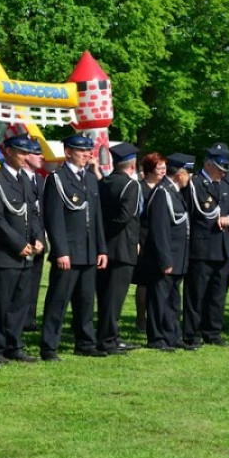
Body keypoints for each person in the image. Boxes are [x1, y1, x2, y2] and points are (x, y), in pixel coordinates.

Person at [40, 134, 108, 360]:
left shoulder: (89, 178)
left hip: (88, 250)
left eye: (89, 151)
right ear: (68, 152)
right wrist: (60, 250)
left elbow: (97, 217)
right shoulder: (57, 178)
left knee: (86, 300)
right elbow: (54, 218)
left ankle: (85, 342)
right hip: (69, 251)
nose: (87, 155)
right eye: (82, 151)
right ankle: (49, 346)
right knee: (58, 300)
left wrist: (101, 249)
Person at [0, 135, 44, 363]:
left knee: (20, 302)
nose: (25, 157)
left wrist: (38, 237)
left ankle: (14, 344)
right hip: (6, 253)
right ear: (8, 152)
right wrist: (18, 244)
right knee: (1, 303)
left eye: (27, 153)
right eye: (21, 152)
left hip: (27, 252)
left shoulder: (25, 180)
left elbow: (34, 213)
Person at [182, 143, 229, 348]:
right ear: (209, 164)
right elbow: (187, 215)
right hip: (201, 247)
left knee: (218, 293)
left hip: (224, 245)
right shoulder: (194, 183)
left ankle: (213, 331)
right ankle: (192, 333)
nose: (223, 173)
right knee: (196, 294)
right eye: (220, 169)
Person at [96, 142, 144, 354]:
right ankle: (108, 339)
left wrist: (102, 233)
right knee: (115, 297)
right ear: (132, 166)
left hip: (104, 245)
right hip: (122, 246)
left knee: (106, 294)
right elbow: (126, 216)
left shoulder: (103, 182)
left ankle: (110, 335)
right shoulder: (130, 186)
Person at [142, 153, 191, 351]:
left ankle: (172, 335)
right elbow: (159, 229)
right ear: (179, 174)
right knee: (159, 299)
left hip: (178, 255)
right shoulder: (162, 193)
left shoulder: (173, 191)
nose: (189, 176)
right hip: (166, 256)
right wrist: (165, 259)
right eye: (187, 172)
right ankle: (156, 337)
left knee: (172, 299)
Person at [132, 152, 167, 332]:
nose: (163, 171)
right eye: (159, 167)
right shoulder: (139, 188)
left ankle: (159, 317)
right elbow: (135, 217)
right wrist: (136, 240)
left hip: (161, 239)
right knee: (144, 281)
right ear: (150, 169)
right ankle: (141, 319)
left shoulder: (166, 187)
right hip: (144, 239)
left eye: (164, 167)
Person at [20, 138, 47, 332]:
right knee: (20, 281)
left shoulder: (40, 179)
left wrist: (41, 237)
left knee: (35, 279)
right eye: (37, 154)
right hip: (21, 238)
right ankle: (17, 319)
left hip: (39, 236)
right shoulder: (16, 177)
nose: (41, 157)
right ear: (26, 155)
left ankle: (29, 319)